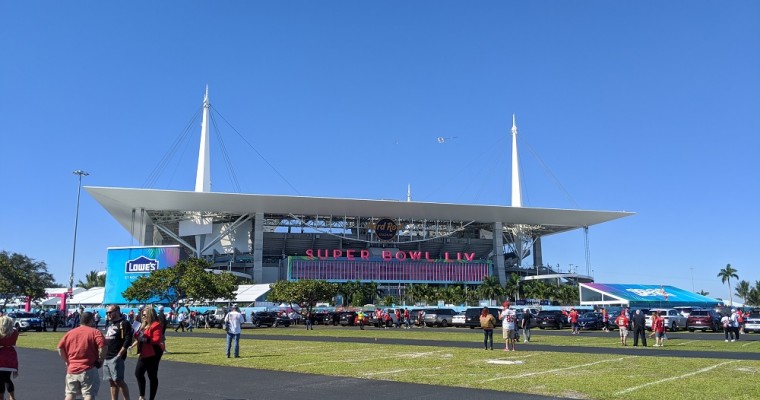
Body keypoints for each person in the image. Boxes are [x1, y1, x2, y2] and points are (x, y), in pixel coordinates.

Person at [57, 311, 107, 400]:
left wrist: (67, 361)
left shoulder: (70, 333)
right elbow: (103, 346)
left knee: (70, 394)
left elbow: (60, 348)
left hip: (72, 368)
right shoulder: (95, 332)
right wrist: (101, 359)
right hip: (88, 368)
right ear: (91, 320)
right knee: (88, 394)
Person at [103, 305, 133, 400]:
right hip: (107, 356)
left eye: (110, 312)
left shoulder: (124, 323)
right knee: (111, 381)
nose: (108, 314)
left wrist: (120, 354)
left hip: (116, 356)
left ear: (117, 311)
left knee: (118, 381)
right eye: (107, 312)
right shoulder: (110, 324)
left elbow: (128, 340)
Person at [134, 307, 164, 400]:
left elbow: (156, 339)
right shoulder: (143, 325)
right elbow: (137, 335)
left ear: (150, 315)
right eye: (142, 314)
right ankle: (142, 396)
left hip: (154, 352)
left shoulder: (156, 325)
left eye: (144, 314)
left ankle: (151, 398)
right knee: (138, 373)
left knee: (152, 375)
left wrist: (143, 339)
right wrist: (135, 334)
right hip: (144, 352)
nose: (142, 316)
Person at [0, 315, 19, 400]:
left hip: (1, 357)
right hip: (11, 356)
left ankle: (1, 397)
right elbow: (13, 343)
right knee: (7, 379)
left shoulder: (1, 333)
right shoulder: (14, 332)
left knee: (0, 380)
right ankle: (12, 397)